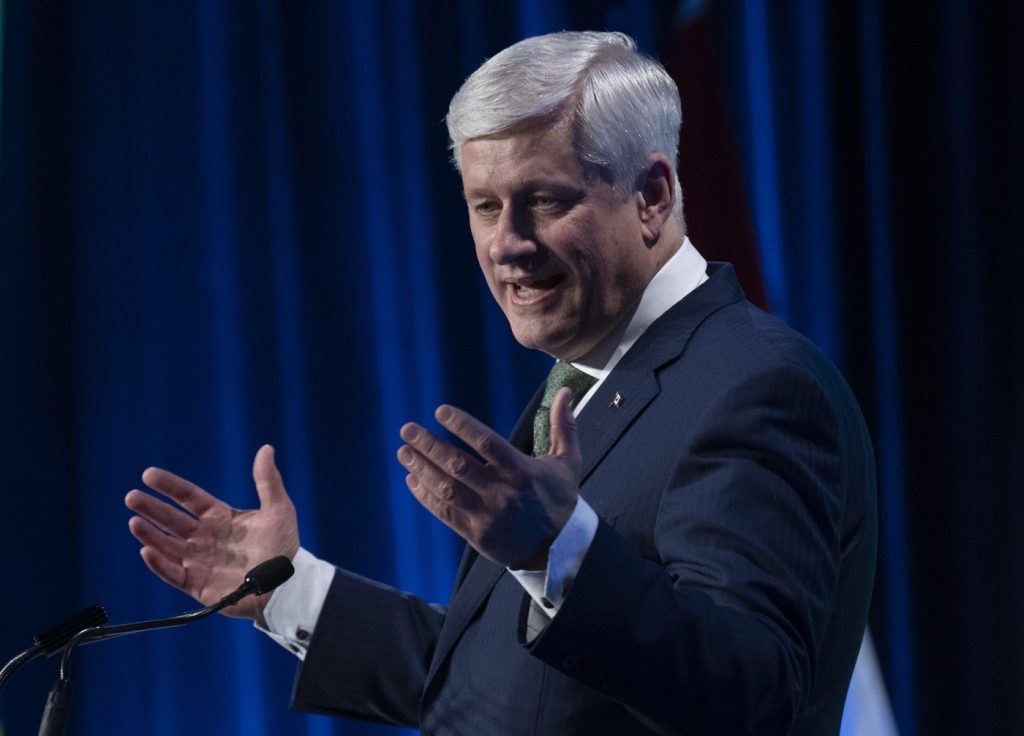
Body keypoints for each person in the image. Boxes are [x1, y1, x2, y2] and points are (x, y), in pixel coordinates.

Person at [125, 31, 876, 735]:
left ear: (651, 195)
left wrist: (558, 551)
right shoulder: (588, 379)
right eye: (485, 206)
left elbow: (752, 696)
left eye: (544, 200)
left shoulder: (754, 385)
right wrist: (288, 589)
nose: (506, 244)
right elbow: (509, 686)